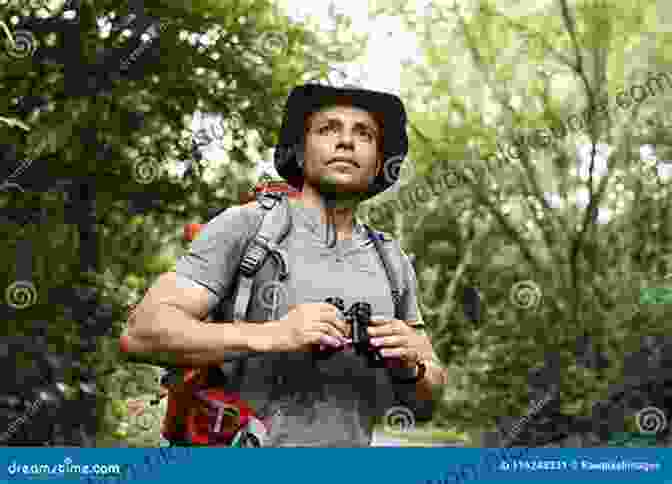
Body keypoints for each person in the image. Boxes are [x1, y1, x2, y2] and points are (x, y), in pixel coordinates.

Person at [122, 83, 448, 447]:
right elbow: (141, 334)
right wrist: (275, 335)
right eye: (328, 129)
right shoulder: (247, 227)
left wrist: (411, 369)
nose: (346, 142)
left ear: (378, 163)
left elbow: (428, 400)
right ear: (300, 150)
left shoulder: (391, 260)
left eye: (364, 134)